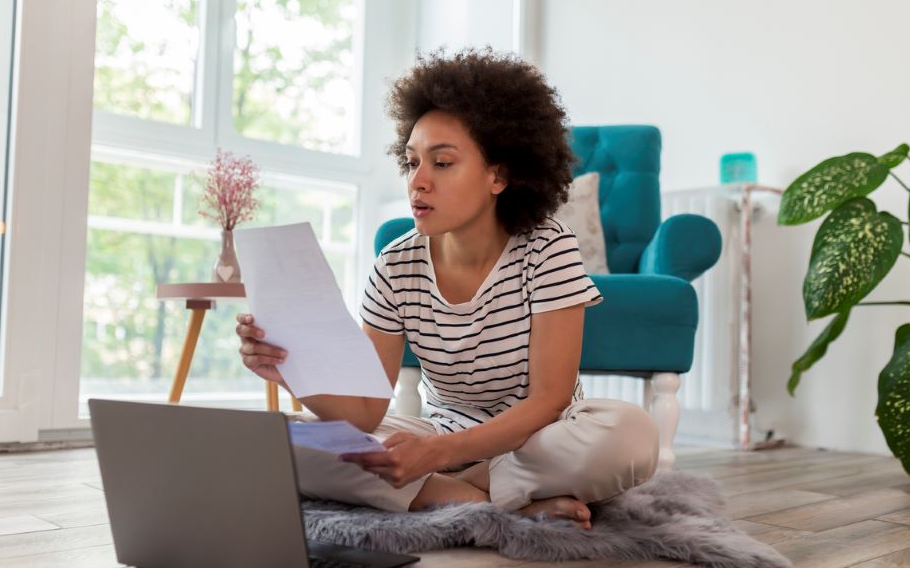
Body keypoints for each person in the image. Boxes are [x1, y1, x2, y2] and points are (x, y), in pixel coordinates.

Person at [236, 49, 659, 529]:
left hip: (537, 440)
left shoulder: (548, 248)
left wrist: (435, 454)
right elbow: (367, 410)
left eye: (442, 163)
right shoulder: (395, 265)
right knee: (287, 441)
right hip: (437, 432)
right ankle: (495, 502)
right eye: (413, 162)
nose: (418, 182)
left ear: (498, 175)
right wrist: (291, 371)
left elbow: (550, 400)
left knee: (631, 434)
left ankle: (458, 490)